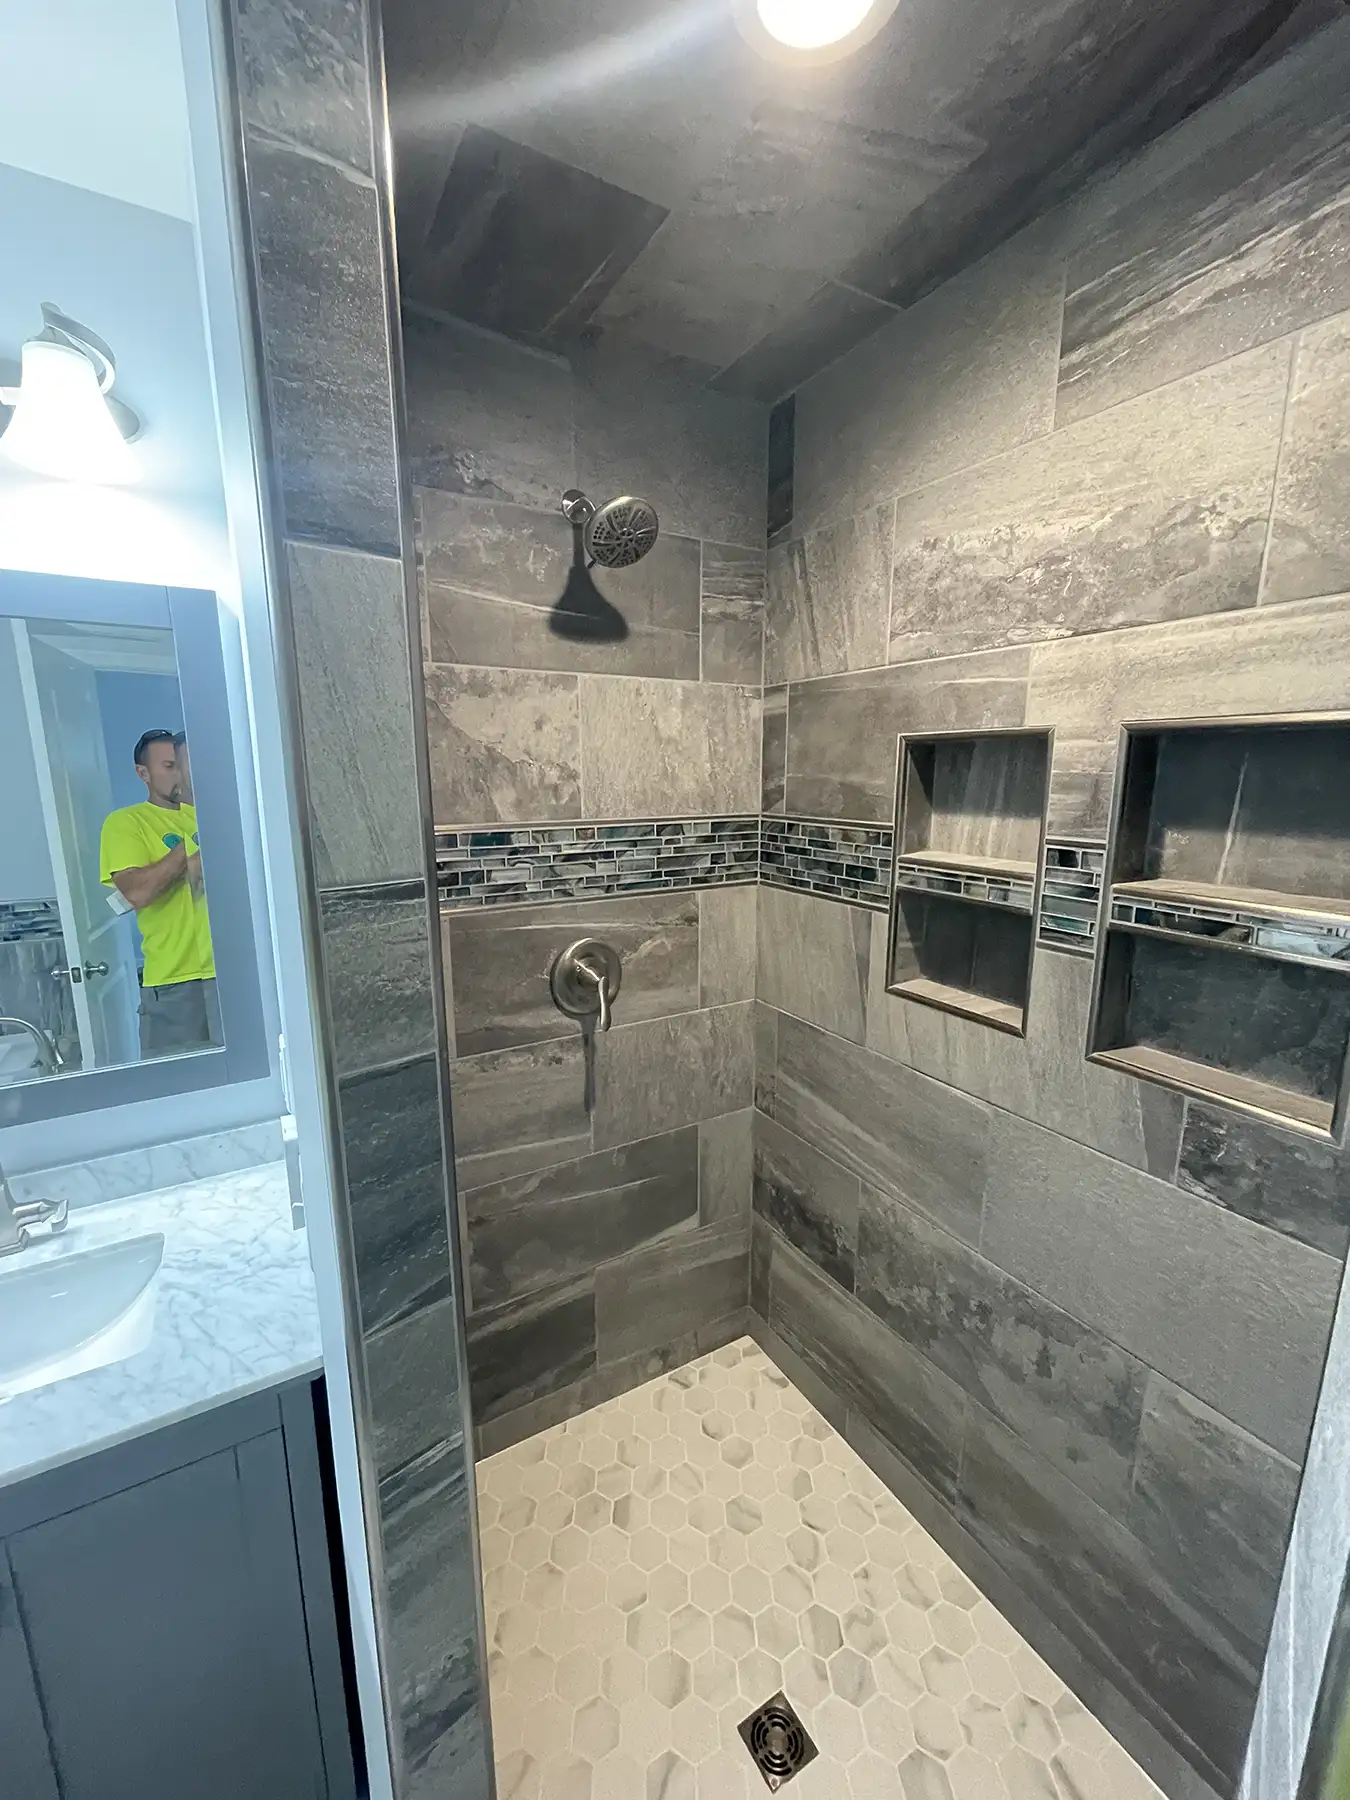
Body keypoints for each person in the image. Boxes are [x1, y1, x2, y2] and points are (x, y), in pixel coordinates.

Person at [99, 728, 219, 1058]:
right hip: (174, 983)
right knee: (180, 1081)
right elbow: (137, 892)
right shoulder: (126, 823)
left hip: (234, 973)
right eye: (169, 766)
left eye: (183, 765)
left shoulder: (219, 815)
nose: (180, 774)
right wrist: (191, 847)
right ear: (143, 773)